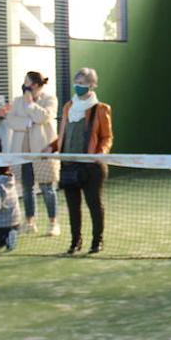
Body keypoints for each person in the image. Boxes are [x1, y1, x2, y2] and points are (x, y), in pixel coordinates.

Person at [56, 67, 113, 255]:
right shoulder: (67, 107)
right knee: (73, 207)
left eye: (82, 83)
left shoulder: (101, 109)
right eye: (76, 83)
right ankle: (75, 242)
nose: (77, 86)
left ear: (92, 85)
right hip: (68, 165)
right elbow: (64, 135)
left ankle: (97, 241)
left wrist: (100, 154)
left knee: (94, 205)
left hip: (92, 168)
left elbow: (107, 137)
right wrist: (51, 147)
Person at [1, 70, 61, 237]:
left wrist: (30, 105)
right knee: (27, 189)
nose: (24, 84)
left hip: (42, 152)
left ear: (34, 85)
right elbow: (11, 120)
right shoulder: (17, 101)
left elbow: (44, 117)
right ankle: (30, 222)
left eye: (27, 81)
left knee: (47, 188)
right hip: (22, 152)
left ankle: (53, 223)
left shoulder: (49, 99)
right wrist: (27, 122)